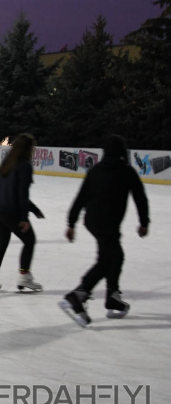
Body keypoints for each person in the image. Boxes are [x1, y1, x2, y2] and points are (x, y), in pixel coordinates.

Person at [60, 135, 150, 327]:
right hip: (108, 223)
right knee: (109, 259)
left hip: (92, 221)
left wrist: (71, 223)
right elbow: (140, 197)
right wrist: (144, 222)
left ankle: (112, 296)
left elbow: (81, 197)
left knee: (114, 256)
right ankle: (79, 294)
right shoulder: (127, 171)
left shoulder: (95, 170)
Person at [0, 133, 45, 292]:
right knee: (30, 240)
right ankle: (24, 277)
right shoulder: (24, 166)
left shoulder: (9, 162)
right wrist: (24, 218)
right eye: (32, 148)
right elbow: (22, 194)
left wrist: (34, 209)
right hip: (10, 210)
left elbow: (13, 190)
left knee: (2, 242)